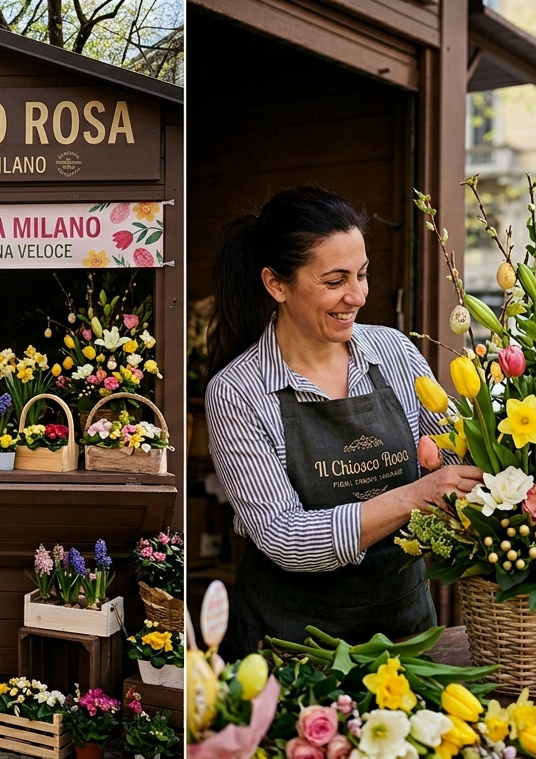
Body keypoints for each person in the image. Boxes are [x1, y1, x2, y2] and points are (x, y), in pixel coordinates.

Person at [204, 187, 485, 657]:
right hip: (292, 648)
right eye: (335, 280)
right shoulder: (239, 391)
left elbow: (453, 457)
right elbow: (285, 536)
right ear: (276, 284)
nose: (357, 296)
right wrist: (414, 496)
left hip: (405, 633)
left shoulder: (395, 353)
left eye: (362, 274)